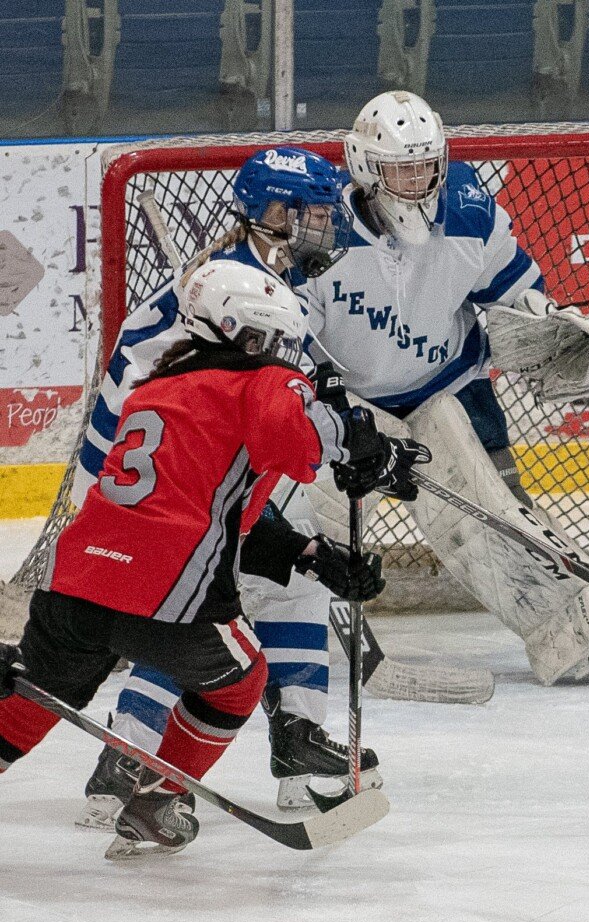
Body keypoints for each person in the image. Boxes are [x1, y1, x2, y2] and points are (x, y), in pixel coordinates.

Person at [0, 261, 420, 858]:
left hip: (75, 582)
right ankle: (158, 795)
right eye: (270, 338)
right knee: (241, 680)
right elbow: (296, 431)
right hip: (166, 593)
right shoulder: (261, 382)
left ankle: (137, 781)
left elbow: (213, 515)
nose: (282, 352)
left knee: (28, 705)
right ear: (239, 334)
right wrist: (362, 443)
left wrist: (306, 551)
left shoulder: (155, 390)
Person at [73, 146, 392, 825]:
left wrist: (328, 407)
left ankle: (293, 740)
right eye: (311, 215)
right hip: (152, 483)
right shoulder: (240, 288)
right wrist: (337, 435)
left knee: (289, 582)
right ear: (274, 215)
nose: (326, 227)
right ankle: (130, 754)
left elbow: (278, 382)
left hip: (166, 470)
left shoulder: (259, 275)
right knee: (199, 606)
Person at [299, 90, 589, 687]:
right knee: (307, 515)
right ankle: (284, 627)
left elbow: (512, 289)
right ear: (366, 168)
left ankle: (566, 625)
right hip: (350, 405)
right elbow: (293, 338)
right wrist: (331, 410)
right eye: (401, 168)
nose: (418, 182)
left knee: (498, 512)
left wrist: (553, 318)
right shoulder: (319, 228)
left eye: (427, 165)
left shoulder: (471, 211)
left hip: (447, 385)